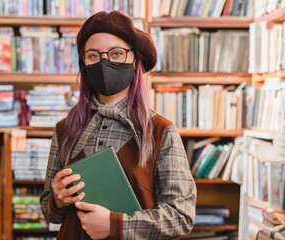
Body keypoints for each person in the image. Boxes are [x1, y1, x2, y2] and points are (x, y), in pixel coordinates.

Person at [40, 11, 197, 240]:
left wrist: (116, 226)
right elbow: (48, 210)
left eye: (116, 53)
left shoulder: (161, 131)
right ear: (83, 63)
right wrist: (57, 199)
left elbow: (181, 216)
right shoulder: (65, 129)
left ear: (135, 60)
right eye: (93, 56)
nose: (104, 62)